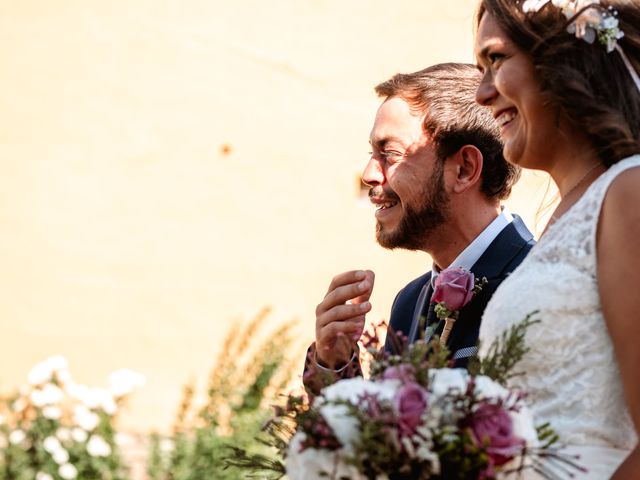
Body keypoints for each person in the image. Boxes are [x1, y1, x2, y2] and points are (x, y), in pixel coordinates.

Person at [474, 0, 640, 478]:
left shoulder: (627, 193)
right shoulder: (560, 225)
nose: (482, 93)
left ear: (564, 58)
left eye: (496, 60)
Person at [303, 63, 534, 395]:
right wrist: (335, 365)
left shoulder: (538, 285)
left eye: (390, 154)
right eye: (373, 153)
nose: (369, 174)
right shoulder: (410, 303)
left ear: (465, 169)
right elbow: (388, 444)